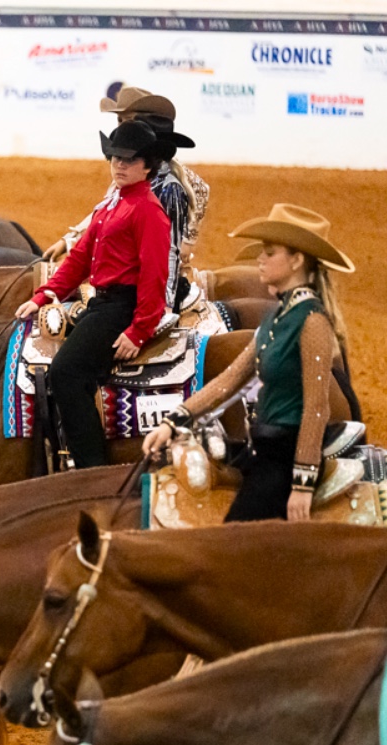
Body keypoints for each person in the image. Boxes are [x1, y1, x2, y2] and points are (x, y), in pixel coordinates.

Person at [144, 204, 354, 521]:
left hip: (286, 460)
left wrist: (303, 483)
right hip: (261, 450)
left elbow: (316, 407)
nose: (260, 258)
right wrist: (174, 421)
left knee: (234, 533)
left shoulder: (312, 322)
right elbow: (229, 381)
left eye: (270, 252)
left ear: (296, 260)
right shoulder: (275, 319)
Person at [13, 121, 172, 469]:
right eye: (115, 157)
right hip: (100, 303)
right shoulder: (113, 204)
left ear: (147, 166)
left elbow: (154, 275)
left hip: (120, 308)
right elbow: (80, 257)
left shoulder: (147, 210)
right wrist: (45, 295)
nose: (119, 164)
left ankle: (92, 468)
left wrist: (139, 329)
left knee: (65, 373)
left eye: (129, 160)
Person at [51, 87, 207, 311]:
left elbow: (199, 194)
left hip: (139, 284)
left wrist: (188, 240)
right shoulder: (134, 176)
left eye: (124, 120)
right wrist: (71, 238)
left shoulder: (163, 182)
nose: (120, 126)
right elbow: (106, 212)